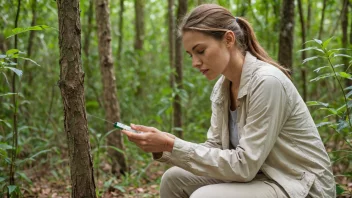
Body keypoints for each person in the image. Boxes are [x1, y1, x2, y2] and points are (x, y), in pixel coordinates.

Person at [121, 4, 335, 198]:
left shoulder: (267, 82)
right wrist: (165, 145)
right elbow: (216, 147)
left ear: (229, 39)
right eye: (190, 55)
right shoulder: (222, 87)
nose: (195, 63)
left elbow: (244, 166)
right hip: (260, 176)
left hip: (298, 185)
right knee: (174, 179)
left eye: (201, 51)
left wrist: (172, 145)